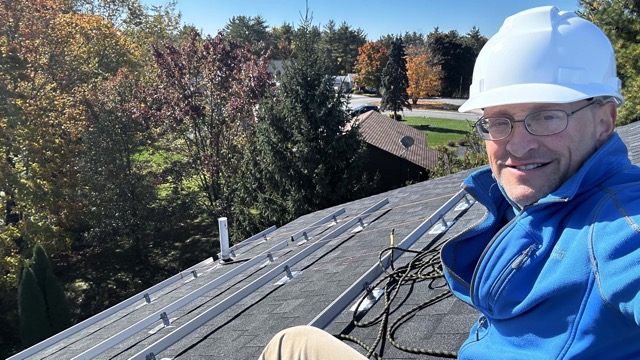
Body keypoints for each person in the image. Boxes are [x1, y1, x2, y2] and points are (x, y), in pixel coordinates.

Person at [260, 5, 640, 359]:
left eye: (548, 116)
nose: (519, 145)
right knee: (294, 342)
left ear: (604, 121)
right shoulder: (551, 199)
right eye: (499, 120)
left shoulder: (619, 225)